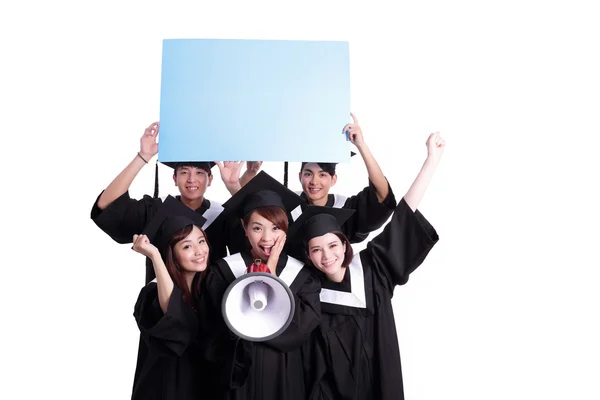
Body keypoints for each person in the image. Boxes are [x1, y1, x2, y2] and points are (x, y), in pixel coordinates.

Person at [289, 132, 445, 399]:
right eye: (316, 249)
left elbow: (403, 216)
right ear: (308, 254)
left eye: (333, 246)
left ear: (345, 243)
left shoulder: (373, 269)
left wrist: (431, 161)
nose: (327, 256)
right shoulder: (306, 294)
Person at [200, 171, 321, 400]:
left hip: (286, 380)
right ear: (244, 228)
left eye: (276, 228)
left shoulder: (304, 277)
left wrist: (272, 274)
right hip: (236, 383)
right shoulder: (222, 271)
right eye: (257, 228)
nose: (267, 238)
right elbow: (213, 331)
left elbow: (302, 332)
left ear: (286, 229)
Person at [91, 121, 261, 283]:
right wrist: (143, 157)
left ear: (210, 179)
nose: (191, 180)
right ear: (174, 178)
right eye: (184, 172)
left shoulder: (221, 215)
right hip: (163, 304)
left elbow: (252, 244)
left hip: (212, 304)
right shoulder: (156, 209)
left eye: (200, 173)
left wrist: (238, 183)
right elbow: (108, 206)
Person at [129, 195, 213, 400]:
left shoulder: (208, 289)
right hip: (164, 387)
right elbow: (175, 320)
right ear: (171, 254)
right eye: (187, 246)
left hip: (200, 385)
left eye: (201, 241)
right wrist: (155, 256)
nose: (199, 251)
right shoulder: (152, 293)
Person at [294, 113, 397, 248]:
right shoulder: (287, 205)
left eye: (322, 175)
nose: (314, 181)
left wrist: (361, 145)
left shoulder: (345, 209)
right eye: (308, 174)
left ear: (333, 179)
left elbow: (382, 195)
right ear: (300, 176)